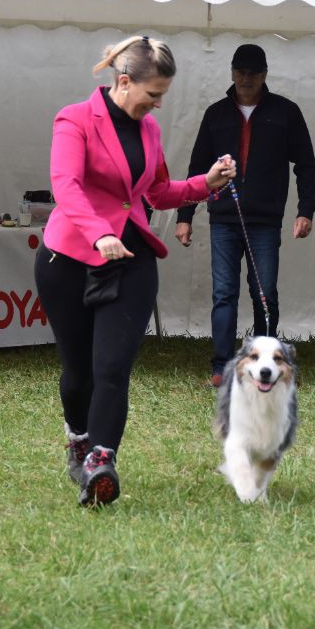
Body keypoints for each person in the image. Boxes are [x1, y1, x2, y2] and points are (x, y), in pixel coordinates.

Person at [34, 36, 236, 507]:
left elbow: (158, 192)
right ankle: (78, 439)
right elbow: (65, 186)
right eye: (153, 95)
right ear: (124, 82)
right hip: (68, 259)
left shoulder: (148, 131)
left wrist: (204, 184)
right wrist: (98, 233)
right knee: (79, 371)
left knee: (112, 368)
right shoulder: (74, 119)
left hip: (131, 260)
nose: (158, 105)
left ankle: (101, 462)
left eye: (162, 95)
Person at [175, 44, 315, 387]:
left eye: (253, 72)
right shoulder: (216, 114)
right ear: (232, 72)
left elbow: (306, 164)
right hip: (223, 217)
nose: (246, 78)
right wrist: (185, 215)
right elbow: (198, 168)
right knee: (224, 293)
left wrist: (305, 210)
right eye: (240, 71)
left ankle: (266, 365)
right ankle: (222, 367)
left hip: (265, 221)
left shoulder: (285, 112)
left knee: (264, 293)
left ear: (265, 74)